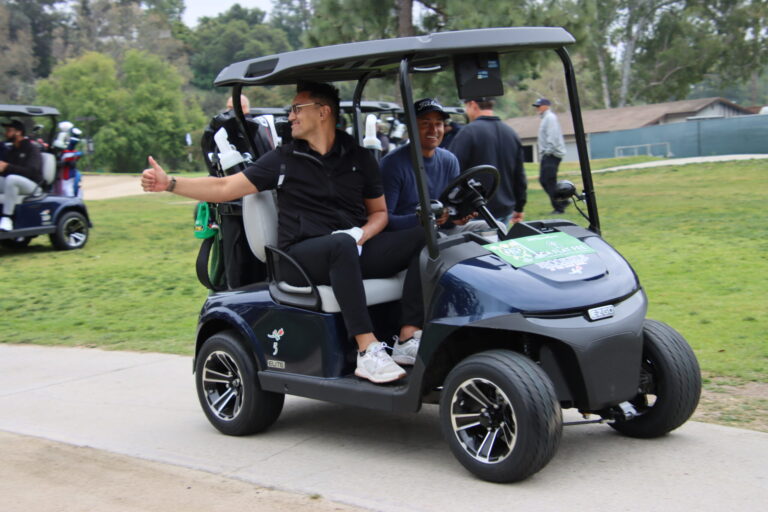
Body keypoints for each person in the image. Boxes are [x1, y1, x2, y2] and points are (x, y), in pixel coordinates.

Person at [142, 81, 425, 384]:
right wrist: (170, 183)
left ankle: (408, 336)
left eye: (296, 109)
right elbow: (224, 188)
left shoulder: (358, 158)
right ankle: (367, 350)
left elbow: (379, 213)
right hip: (299, 258)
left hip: (351, 249)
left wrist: (364, 235)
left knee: (424, 236)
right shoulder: (283, 160)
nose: (289, 116)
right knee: (341, 244)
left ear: (323, 112)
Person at [381, 98, 475, 232]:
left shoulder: (449, 160)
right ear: (411, 127)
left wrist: (458, 215)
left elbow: (450, 208)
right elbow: (384, 220)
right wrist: (423, 218)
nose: (433, 130)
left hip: (440, 230)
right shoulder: (392, 164)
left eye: (438, 124)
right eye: (425, 123)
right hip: (410, 234)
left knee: (493, 227)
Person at [448, 97, 527, 226]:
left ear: (473, 105)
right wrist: (520, 206)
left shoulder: (468, 133)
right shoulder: (511, 133)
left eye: (466, 107)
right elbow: (519, 175)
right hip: (505, 209)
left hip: (476, 211)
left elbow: (452, 171)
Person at [0, 119, 42, 231]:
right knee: (8, 179)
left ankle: (7, 218)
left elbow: (31, 171)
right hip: (14, 185)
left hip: (33, 186)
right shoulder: (11, 150)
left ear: (18, 132)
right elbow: (7, 170)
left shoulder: (32, 149)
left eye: (9, 130)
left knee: (11, 179)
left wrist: (7, 167)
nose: (6, 133)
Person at [533, 97, 568, 214]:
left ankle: (559, 207)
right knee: (544, 180)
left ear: (546, 106)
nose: (537, 108)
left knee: (548, 180)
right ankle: (563, 201)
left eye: (539, 106)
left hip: (552, 153)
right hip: (547, 154)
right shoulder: (545, 118)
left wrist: (548, 151)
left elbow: (552, 135)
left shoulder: (550, 118)